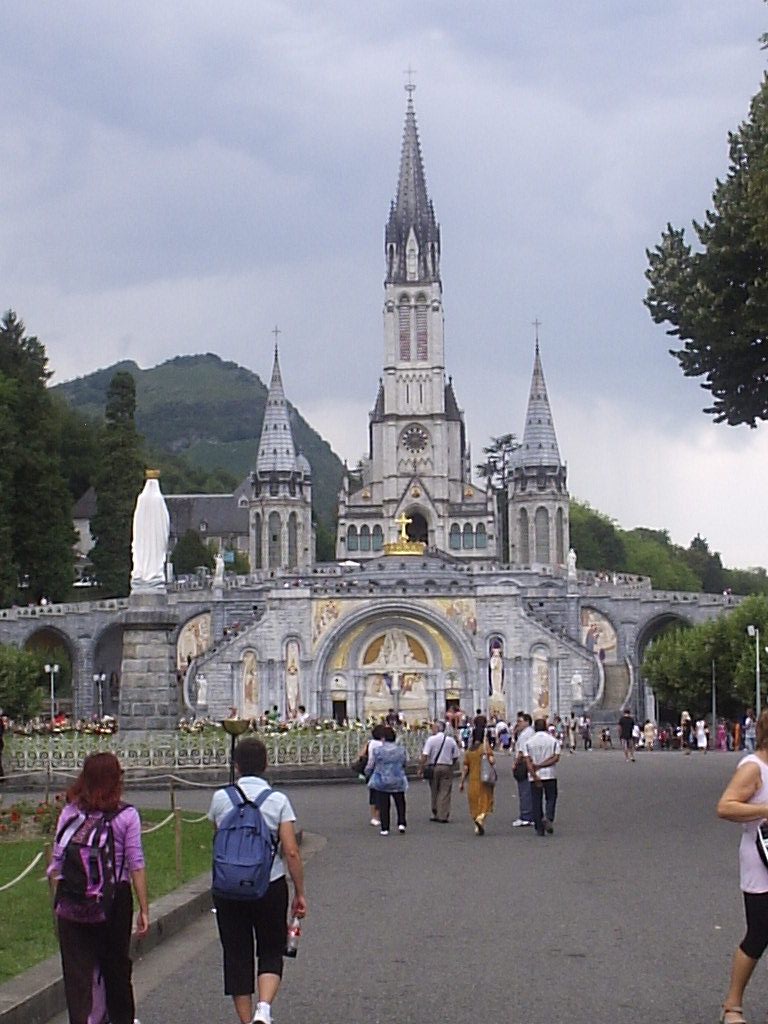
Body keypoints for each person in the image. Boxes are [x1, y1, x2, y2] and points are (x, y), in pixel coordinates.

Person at [208, 736, 306, 1024]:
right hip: (270, 884)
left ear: (236, 766)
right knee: (271, 947)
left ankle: (245, 1020)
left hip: (227, 888)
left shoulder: (220, 798)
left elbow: (218, 840)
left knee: (236, 953)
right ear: (265, 764)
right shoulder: (277, 801)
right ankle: (264, 1008)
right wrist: (300, 892)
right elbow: (290, 850)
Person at [48, 752, 149, 1024]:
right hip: (114, 898)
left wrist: (60, 897)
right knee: (116, 967)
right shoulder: (126, 815)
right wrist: (144, 908)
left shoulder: (71, 812)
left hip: (71, 900)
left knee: (78, 973)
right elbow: (135, 863)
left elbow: (56, 861)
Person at [716, 710, 768, 1024]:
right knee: (760, 933)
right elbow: (725, 806)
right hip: (762, 857)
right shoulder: (754, 767)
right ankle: (732, 1006)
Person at [522, 718, 561, 836]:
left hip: (535, 776)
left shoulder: (528, 742)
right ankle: (548, 817)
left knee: (536, 801)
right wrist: (542, 765)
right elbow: (556, 758)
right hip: (550, 774)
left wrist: (534, 775)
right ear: (546, 727)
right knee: (551, 798)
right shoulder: (553, 740)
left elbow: (528, 762)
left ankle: (539, 827)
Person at [366, 725, 408, 835]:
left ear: (383, 738)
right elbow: (404, 763)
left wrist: (367, 772)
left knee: (384, 804)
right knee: (400, 802)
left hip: (382, 779)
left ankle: (385, 827)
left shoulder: (378, 751)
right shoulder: (401, 750)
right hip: (397, 778)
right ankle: (401, 823)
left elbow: (371, 764)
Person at [419, 721, 460, 823]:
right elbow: (455, 755)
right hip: (447, 766)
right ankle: (443, 815)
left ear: (437, 728)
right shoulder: (450, 740)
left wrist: (421, 768)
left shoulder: (431, 740)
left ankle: (435, 811)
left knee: (434, 790)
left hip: (433, 767)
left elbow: (425, 755)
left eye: (433, 727)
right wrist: (451, 764)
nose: (432, 729)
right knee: (445, 791)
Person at [459, 723, 495, 835]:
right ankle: (480, 818)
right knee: (485, 801)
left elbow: (465, 767)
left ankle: (476, 822)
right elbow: (492, 761)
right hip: (484, 779)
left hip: (472, 780)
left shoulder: (469, 751)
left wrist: (462, 781)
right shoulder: (484, 748)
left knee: (473, 802)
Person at [511, 712, 535, 828]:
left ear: (527, 722)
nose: (518, 724)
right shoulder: (530, 732)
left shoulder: (525, 735)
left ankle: (525, 816)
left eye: (520, 721)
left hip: (524, 764)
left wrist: (515, 764)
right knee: (530, 790)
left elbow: (521, 751)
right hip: (530, 763)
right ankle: (531, 815)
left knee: (524, 790)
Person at [360, 723, 385, 827]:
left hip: (372, 771)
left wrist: (366, 770)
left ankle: (374, 817)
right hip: (383, 771)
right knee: (382, 794)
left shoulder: (370, 743)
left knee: (373, 794)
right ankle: (379, 815)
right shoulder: (383, 744)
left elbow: (362, 755)